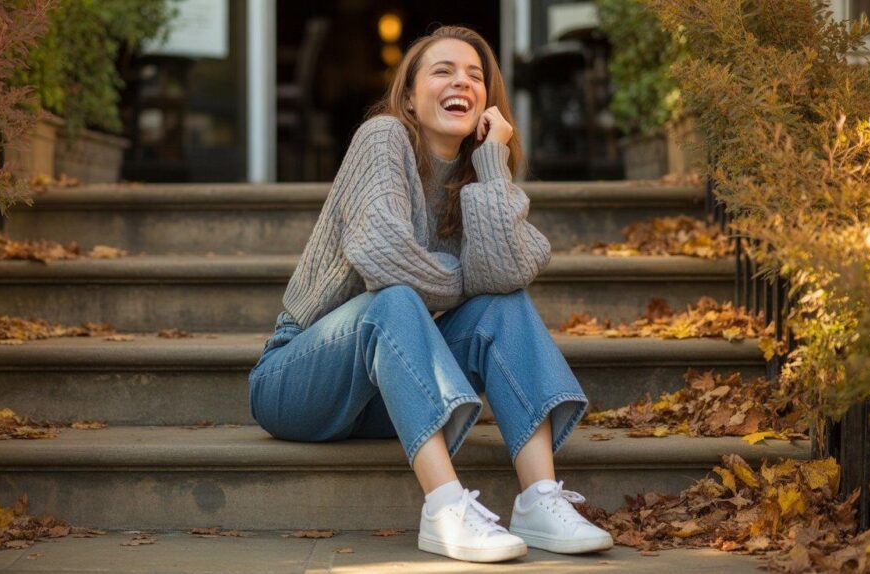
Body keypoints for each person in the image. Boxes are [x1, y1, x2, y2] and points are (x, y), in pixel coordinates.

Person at [248, 25, 613, 563]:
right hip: (302, 377)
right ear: (411, 99)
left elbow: (510, 273)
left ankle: (538, 498)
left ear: (489, 104)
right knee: (396, 298)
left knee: (502, 305)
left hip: (393, 391)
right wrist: (467, 277)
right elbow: (382, 257)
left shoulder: (479, 172)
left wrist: (491, 164)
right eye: (442, 71)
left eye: (475, 76)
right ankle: (444, 507)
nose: (461, 82)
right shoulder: (383, 139)